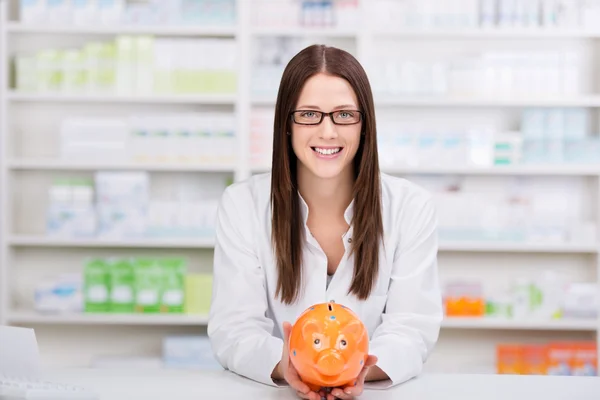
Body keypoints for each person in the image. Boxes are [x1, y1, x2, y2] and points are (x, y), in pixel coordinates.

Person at [207, 44, 442, 400]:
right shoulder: (243, 206)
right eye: (309, 115)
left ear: (365, 125)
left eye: (344, 115)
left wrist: (356, 368)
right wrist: (289, 364)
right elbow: (233, 328)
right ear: (286, 124)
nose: (328, 132)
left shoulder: (411, 207)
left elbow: (411, 327)